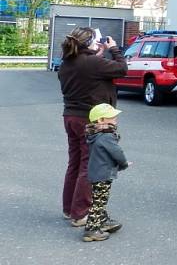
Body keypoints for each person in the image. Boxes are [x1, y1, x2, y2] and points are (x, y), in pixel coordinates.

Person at [57, 27, 126, 227]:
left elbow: (88, 71)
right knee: (89, 167)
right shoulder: (93, 63)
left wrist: (97, 54)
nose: (99, 44)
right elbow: (122, 69)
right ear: (88, 43)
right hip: (90, 120)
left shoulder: (67, 63)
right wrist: (114, 49)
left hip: (70, 116)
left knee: (75, 163)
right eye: (96, 41)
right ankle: (81, 214)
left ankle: (69, 209)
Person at [82, 103, 129, 242]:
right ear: (101, 120)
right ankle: (91, 230)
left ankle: (102, 220)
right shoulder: (106, 136)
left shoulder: (94, 134)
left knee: (99, 199)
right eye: (112, 117)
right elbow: (117, 152)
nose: (115, 119)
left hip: (96, 173)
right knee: (99, 202)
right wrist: (124, 163)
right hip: (102, 175)